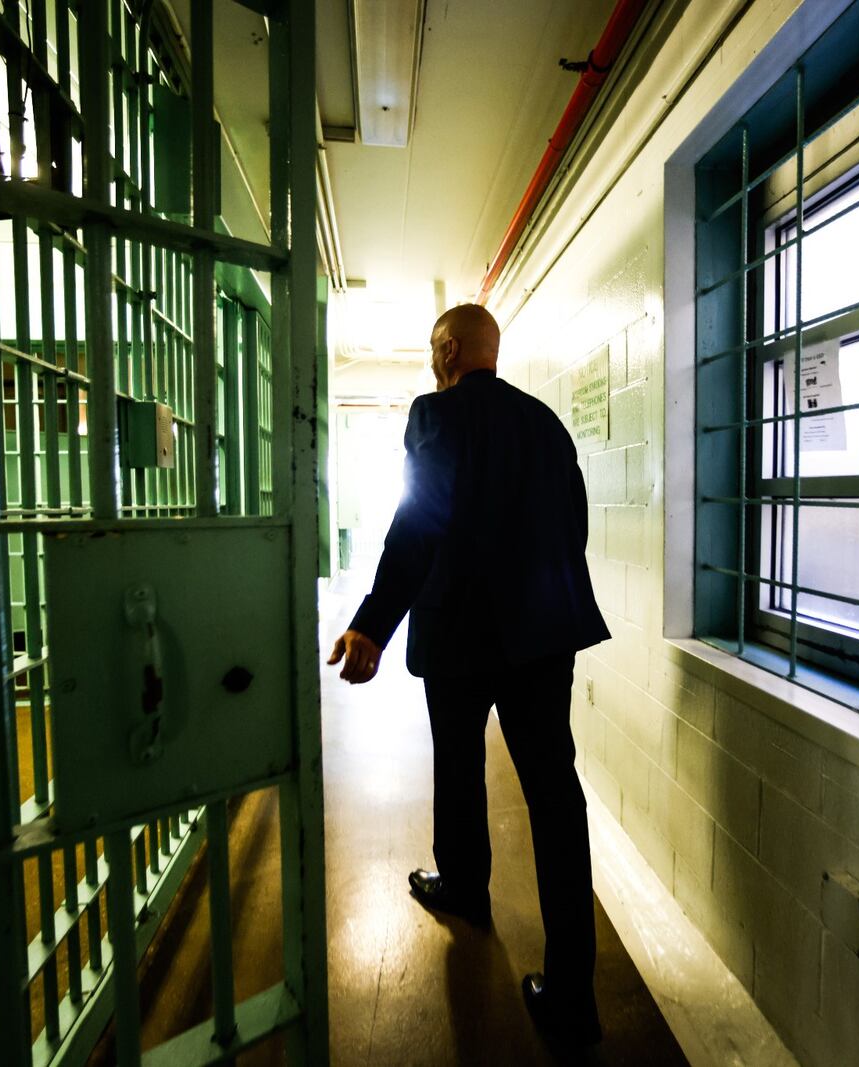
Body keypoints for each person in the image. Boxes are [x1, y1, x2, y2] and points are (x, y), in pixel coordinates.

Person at [327, 303, 611, 1043]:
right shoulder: (546, 422)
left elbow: (418, 519)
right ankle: (573, 995)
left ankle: (464, 884)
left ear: (449, 349)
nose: (430, 362)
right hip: (546, 632)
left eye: (432, 349)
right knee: (556, 797)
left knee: (459, 765)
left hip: (460, 631)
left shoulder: (435, 413)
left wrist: (372, 621)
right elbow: (575, 522)